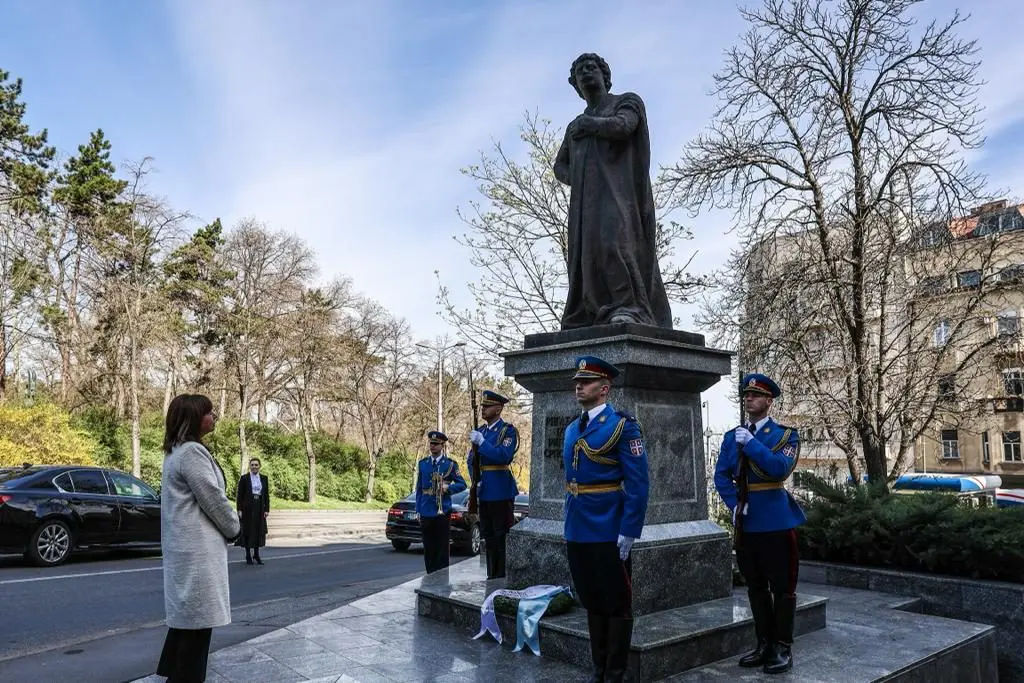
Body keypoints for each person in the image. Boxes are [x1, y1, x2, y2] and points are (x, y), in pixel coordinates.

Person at [554, 52, 672, 330]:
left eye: (591, 67)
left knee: (614, 243)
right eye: (580, 70)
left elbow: (625, 126)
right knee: (587, 255)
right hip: (587, 205)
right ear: (575, 85)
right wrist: (582, 177)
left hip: (621, 197)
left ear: (605, 75)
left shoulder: (626, 101)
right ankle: (591, 311)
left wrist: (591, 126)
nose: (586, 72)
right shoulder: (575, 126)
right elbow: (560, 165)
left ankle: (628, 306)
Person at [563, 356, 649, 683]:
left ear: (604, 388)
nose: (578, 385)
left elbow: (639, 484)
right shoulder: (573, 428)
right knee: (592, 600)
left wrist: (629, 531)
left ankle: (615, 673)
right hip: (578, 527)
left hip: (609, 527)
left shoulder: (623, 427)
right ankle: (598, 668)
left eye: (585, 381)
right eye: (577, 381)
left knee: (616, 603)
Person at [714, 373, 806, 675]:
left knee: (782, 588)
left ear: (769, 401)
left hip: (777, 521)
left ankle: (783, 647)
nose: (749, 399)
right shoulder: (732, 437)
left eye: (755, 395)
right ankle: (763, 643)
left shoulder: (785, 436)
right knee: (755, 587)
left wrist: (752, 444)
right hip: (748, 523)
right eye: (746, 395)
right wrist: (735, 504)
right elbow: (721, 476)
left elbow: (779, 470)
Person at [157, 394, 240, 683]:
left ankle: (172, 674)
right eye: (209, 412)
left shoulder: (176, 452)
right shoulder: (192, 452)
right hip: (197, 552)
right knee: (198, 626)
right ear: (193, 418)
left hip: (185, 548)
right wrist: (234, 527)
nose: (214, 416)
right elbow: (213, 499)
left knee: (187, 622)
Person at [467, 389, 519, 579]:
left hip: (501, 490)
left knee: (501, 536)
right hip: (485, 490)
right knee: (488, 536)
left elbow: (503, 455)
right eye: (482, 406)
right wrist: (475, 480)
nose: (483, 409)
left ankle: (501, 575)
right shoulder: (480, 431)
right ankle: (491, 575)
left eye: (487, 407)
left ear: (498, 409)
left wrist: (482, 443)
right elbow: (471, 459)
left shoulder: (507, 431)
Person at [416, 430, 467, 573]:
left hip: (442, 510)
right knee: (428, 547)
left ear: (442, 446)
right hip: (426, 510)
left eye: (436, 444)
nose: (432, 446)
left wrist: (448, 488)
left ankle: (442, 578)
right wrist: (418, 509)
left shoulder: (449, 465)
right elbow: (419, 488)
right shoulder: (423, 463)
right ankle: (430, 576)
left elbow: (462, 484)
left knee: (442, 548)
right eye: (431, 443)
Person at [235, 457, 270, 565]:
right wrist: (239, 509)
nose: (254, 467)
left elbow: (266, 495)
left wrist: (266, 509)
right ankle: (248, 555)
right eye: (252, 465)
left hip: (259, 506)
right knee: (248, 530)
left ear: (259, 466)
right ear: (250, 466)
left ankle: (256, 554)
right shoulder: (244, 478)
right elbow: (239, 495)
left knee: (258, 530)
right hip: (247, 508)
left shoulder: (264, 478)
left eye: (256, 465)